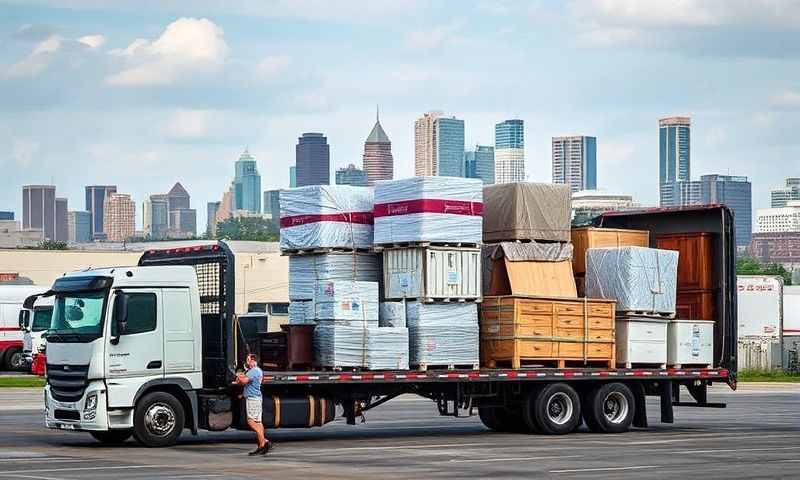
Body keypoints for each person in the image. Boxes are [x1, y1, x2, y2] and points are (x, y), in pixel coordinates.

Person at [233, 353, 271, 455]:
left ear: (254, 361)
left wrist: (239, 377)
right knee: (258, 422)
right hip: (256, 398)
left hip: (253, 399)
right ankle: (261, 446)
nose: (247, 362)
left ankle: (264, 442)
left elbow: (243, 381)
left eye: (248, 359)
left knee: (251, 421)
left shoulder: (254, 371)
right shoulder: (256, 371)